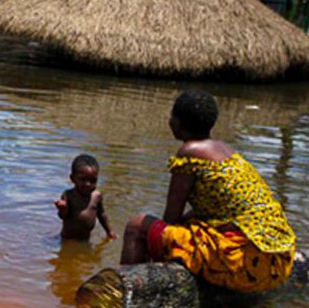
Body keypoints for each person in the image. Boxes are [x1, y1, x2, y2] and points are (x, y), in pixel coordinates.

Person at [120, 89, 296, 293]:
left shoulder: (190, 152)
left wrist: (160, 239)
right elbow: (217, 209)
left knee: (136, 226)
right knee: (190, 225)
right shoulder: (227, 151)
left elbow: (171, 217)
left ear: (177, 122)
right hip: (278, 262)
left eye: (172, 116)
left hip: (243, 263)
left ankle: (127, 293)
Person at [55, 154, 117, 241]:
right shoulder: (68, 195)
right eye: (83, 180)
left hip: (85, 240)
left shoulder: (97, 196)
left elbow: (102, 215)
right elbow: (63, 216)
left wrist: (109, 231)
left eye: (93, 180)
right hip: (67, 239)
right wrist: (63, 209)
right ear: (72, 179)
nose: (88, 184)